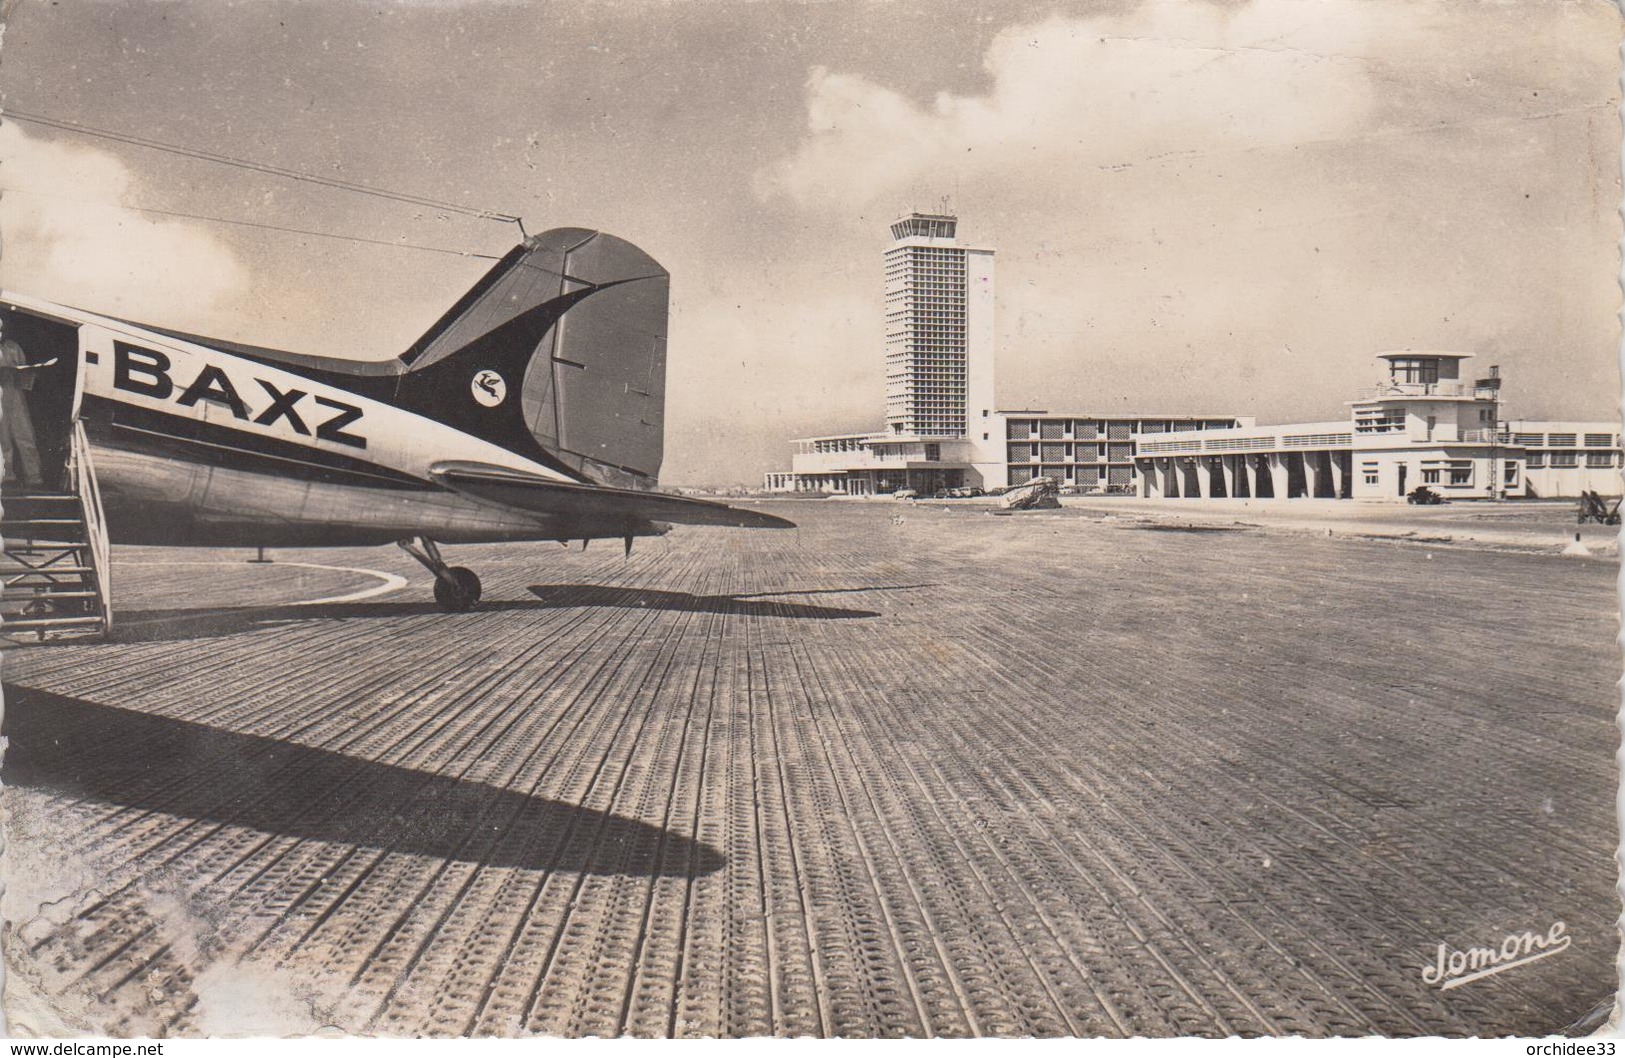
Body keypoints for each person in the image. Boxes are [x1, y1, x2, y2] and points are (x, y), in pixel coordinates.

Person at [0, 316, 56, 488]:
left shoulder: (13, 347)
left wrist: (27, 373)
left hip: (15, 393)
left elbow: (24, 372)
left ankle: (34, 477)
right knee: (3, 439)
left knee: (25, 435)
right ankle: (7, 476)